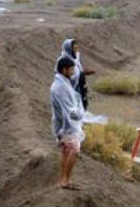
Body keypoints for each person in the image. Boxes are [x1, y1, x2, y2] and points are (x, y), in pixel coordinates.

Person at [51, 57, 85, 190]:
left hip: (63, 125)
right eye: (71, 69)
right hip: (67, 125)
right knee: (74, 150)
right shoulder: (60, 87)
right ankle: (65, 180)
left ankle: (63, 180)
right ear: (64, 70)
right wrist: (81, 115)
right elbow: (70, 111)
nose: (73, 72)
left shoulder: (62, 83)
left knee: (66, 151)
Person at [58, 39, 95, 111]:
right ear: (69, 49)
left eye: (76, 48)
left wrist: (82, 73)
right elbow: (69, 77)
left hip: (80, 88)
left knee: (83, 106)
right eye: (74, 48)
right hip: (73, 92)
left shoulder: (75, 59)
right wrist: (83, 73)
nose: (76, 51)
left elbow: (77, 71)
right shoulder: (65, 61)